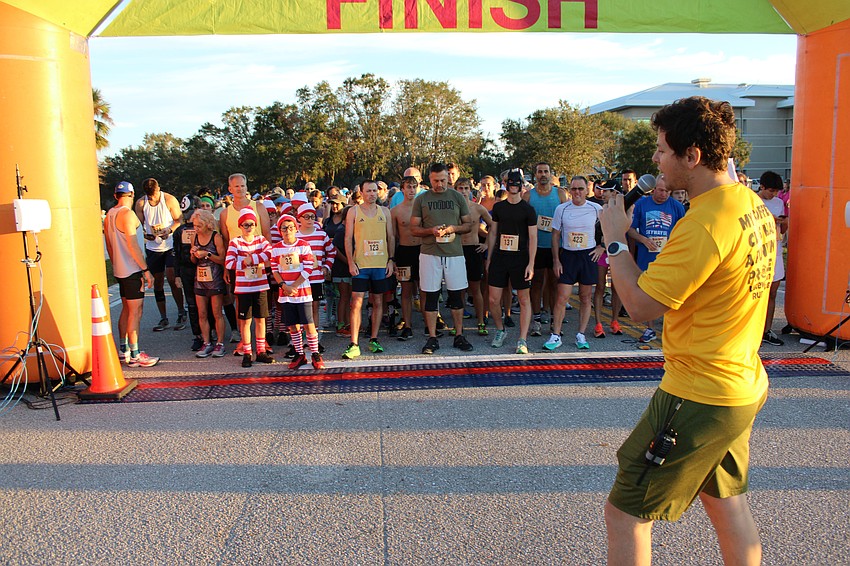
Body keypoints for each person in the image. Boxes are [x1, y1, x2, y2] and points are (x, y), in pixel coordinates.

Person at [599, 96, 773, 566]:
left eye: (660, 150)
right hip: (739, 384)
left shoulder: (702, 224)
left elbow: (637, 307)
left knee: (626, 513)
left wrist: (615, 236)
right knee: (724, 501)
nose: (655, 159)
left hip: (700, 392)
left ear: (691, 156)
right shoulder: (750, 203)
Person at [410, 163, 475, 355]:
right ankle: (432, 337)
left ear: (449, 178)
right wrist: (430, 231)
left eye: (443, 180)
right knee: (430, 296)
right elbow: (413, 228)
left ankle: (459, 335)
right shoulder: (422, 199)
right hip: (430, 252)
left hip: (454, 253)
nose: (440, 184)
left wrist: (453, 229)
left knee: (456, 295)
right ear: (429, 179)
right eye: (436, 180)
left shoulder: (457, 197)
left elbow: (469, 224)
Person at [103, 181, 158, 367]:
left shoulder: (109, 214)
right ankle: (135, 354)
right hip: (132, 269)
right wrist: (145, 269)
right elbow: (132, 245)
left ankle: (123, 348)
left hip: (120, 268)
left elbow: (110, 245)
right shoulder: (127, 214)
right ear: (132, 194)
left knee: (126, 309)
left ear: (115, 195)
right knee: (136, 311)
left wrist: (116, 263)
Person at [627, 174, 686, 343]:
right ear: (653, 190)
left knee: (669, 292)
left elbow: (683, 232)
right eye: (661, 190)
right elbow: (630, 229)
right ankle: (650, 328)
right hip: (646, 256)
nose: (664, 194)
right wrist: (643, 239)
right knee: (649, 292)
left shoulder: (677, 207)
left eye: (668, 191)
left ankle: (670, 329)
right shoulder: (641, 204)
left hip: (668, 257)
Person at [546, 176, 604, 351]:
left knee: (585, 297)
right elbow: (555, 235)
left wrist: (602, 246)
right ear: (569, 190)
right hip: (568, 256)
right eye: (574, 189)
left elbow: (610, 228)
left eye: (580, 189)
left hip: (588, 256)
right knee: (562, 297)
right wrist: (556, 260)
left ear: (587, 189)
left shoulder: (596, 208)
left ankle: (581, 334)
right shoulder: (561, 209)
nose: (577, 192)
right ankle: (556, 335)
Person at [343, 180, 395, 359]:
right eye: (369, 191)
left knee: (378, 302)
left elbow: (391, 237)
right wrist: (350, 262)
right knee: (356, 303)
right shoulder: (353, 211)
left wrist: (390, 260)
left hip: (380, 265)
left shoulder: (385, 211)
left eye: (375, 191)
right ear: (362, 193)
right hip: (361, 265)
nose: (372, 194)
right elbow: (348, 238)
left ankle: (374, 339)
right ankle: (354, 343)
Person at [487, 169, 537, 354]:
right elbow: (493, 232)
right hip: (500, 256)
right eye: (510, 183)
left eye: (517, 183)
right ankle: (500, 330)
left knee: (524, 299)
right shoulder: (499, 207)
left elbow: (533, 238)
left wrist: (531, 263)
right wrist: (490, 257)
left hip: (520, 258)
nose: (513, 186)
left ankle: (522, 339)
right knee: (493, 299)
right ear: (506, 185)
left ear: (522, 186)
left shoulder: (528, 210)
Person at [270, 214, 324, 369]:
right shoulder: (276, 248)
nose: (288, 231)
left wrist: (294, 285)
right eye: (284, 228)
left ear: (296, 228)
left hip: (302, 292)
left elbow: (308, 268)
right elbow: (275, 270)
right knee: (293, 325)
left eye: (291, 227)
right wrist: (283, 286)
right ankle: (299, 354)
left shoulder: (304, 245)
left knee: (308, 323)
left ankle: (315, 353)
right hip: (286, 294)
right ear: (280, 230)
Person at [224, 208, 274, 368]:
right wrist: (243, 263)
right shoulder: (235, 242)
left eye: (251, 224)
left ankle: (261, 350)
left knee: (261, 319)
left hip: (260, 286)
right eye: (245, 225)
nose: (249, 227)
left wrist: (253, 258)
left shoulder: (261, 240)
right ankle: (247, 352)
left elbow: (270, 253)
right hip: (244, 288)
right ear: (240, 226)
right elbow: (229, 262)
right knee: (245, 321)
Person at [134, 177, 185, 332]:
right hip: (152, 246)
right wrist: (145, 234)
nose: (153, 199)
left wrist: (169, 230)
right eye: (150, 197)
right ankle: (163, 317)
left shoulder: (169, 199)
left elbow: (179, 220)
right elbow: (138, 225)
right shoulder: (141, 204)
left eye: (154, 195)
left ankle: (181, 311)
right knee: (157, 283)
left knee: (171, 278)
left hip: (169, 244)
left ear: (158, 189)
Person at [524, 161, 568, 337]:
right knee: (536, 283)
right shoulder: (528, 196)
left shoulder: (560, 193)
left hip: (556, 246)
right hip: (536, 246)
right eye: (540, 172)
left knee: (554, 283)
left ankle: (552, 319)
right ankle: (536, 320)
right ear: (535, 175)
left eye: (546, 171)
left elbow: (568, 217)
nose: (543, 174)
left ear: (550, 174)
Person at [454, 177, 493, 337]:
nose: (463, 192)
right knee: (459, 289)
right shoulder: (451, 210)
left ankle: (481, 322)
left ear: (470, 190)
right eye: (460, 188)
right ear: (455, 190)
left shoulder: (478, 209)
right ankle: (459, 326)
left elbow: (493, 225)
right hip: (456, 251)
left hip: (473, 250)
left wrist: (487, 244)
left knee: (476, 289)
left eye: (466, 188)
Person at [188, 209, 228, 359]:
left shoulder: (215, 237)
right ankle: (206, 342)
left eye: (199, 225)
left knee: (217, 312)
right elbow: (192, 261)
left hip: (215, 279)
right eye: (194, 225)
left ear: (207, 225)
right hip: (200, 279)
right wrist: (193, 254)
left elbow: (222, 259)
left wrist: (207, 254)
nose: (196, 228)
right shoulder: (195, 237)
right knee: (202, 313)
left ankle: (220, 342)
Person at [295, 203, 335, 350]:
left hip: (316, 278)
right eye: (306, 217)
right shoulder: (295, 236)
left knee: (314, 307)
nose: (310, 219)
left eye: (312, 216)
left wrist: (326, 267)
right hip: (299, 280)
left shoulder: (321, 234)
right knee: (300, 308)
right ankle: (299, 341)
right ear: (299, 218)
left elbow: (332, 252)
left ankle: (314, 338)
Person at [391, 175, 425, 341]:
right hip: (404, 252)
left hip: (422, 251)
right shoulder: (395, 211)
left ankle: (429, 324)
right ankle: (407, 325)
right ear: (402, 189)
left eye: (414, 186)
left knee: (425, 289)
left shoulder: (424, 208)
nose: (412, 190)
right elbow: (393, 236)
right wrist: (392, 258)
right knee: (406, 290)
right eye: (408, 187)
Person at [758, 171, 789, 346]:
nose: (774, 194)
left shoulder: (778, 203)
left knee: (772, 293)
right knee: (756, 293)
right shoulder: (753, 201)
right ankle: (751, 328)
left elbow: (783, 230)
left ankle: (767, 330)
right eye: (771, 191)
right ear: (762, 187)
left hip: (775, 250)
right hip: (758, 251)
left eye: (777, 191)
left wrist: (784, 222)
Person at [592, 181, 625, 339]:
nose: (603, 193)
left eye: (607, 191)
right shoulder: (599, 208)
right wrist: (601, 246)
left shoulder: (624, 209)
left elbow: (622, 231)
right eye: (602, 190)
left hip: (617, 252)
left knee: (616, 288)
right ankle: (598, 324)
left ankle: (615, 321)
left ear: (615, 193)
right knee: (599, 286)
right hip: (602, 253)